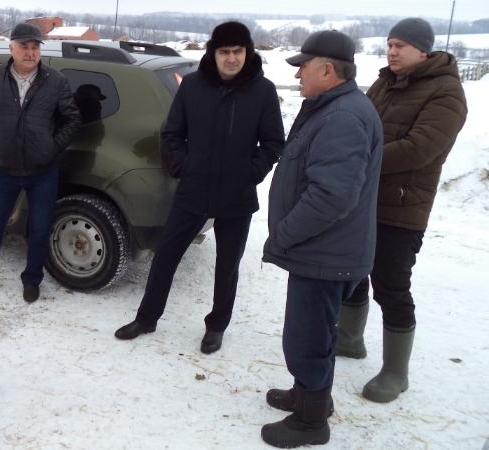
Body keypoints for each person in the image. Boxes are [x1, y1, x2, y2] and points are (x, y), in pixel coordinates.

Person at [113, 22, 285, 354]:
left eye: (238, 51)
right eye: (225, 51)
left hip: (237, 194)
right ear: (213, 53)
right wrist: (184, 166)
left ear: (247, 52)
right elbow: (172, 133)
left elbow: (273, 142)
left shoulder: (262, 90)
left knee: (227, 265)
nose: (231, 58)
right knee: (165, 255)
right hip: (194, 189)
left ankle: (216, 326)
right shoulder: (193, 85)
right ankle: (146, 318)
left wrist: (250, 173)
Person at [260, 30, 383, 448]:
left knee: (307, 338)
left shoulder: (342, 116)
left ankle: (310, 423)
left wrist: (285, 234)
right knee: (315, 332)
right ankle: (309, 395)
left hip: (324, 253)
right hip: (326, 251)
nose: (297, 75)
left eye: (303, 67)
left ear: (327, 70)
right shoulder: (334, 107)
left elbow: (333, 195)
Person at [337, 18, 467, 403]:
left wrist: (358, 158)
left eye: (400, 46)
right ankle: (349, 340)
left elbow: (419, 149)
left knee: (391, 286)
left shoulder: (447, 92)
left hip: (402, 207)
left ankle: (396, 372)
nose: (391, 52)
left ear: (423, 50)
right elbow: (361, 125)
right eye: (390, 44)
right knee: (352, 271)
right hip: (364, 198)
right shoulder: (384, 83)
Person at [0, 22, 81, 302]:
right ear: (11, 48)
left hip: (43, 171)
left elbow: (72, 119)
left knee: (39, 229)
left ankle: (32, 279)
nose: (30, 52)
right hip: (3, 170)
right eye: (24, 46)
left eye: (35, 47)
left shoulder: (55, 80)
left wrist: (52, 147)